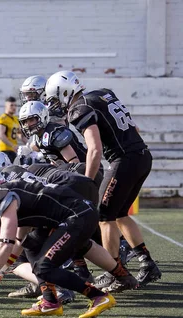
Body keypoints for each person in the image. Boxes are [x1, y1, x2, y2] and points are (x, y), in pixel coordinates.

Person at [0, 160, 117, 318]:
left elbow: (5, 241)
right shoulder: (8, 185)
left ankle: (98, 296)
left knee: (44, 267)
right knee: (30, 245)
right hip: (75, 212)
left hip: (77, 216)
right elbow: (20, 236)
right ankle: (50, 301)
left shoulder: (0, 195)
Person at [45, 71, 161, 288]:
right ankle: (147, 264)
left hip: (123, 160)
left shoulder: (79, 109)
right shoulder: (103, 94)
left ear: (65, 92)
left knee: (104, 218)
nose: (55, 104)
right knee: (120, 214)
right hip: (142, 156)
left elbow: (95, 149)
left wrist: (87, 182)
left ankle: (115, 272)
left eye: (55, 98)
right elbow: (134, 128)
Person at [0, 97, 23, 162]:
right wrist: (12, 145)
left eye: (15, 105)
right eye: (11, 105)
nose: (14, 107)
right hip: (4, 151)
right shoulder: (3, 118)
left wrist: (28, 145)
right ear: (6, 106)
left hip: (13, 151)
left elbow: (20, 134)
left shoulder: (15, 119)